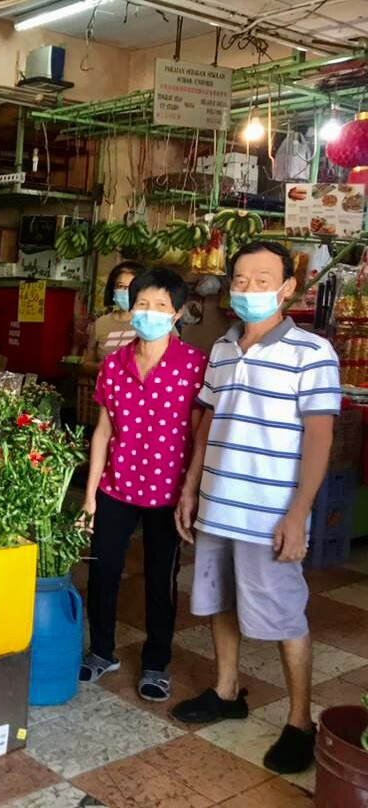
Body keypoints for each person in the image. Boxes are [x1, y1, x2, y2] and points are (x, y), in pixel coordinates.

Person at [172, 241, 340, 775]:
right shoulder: (222, 349)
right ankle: (226, 692)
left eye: (262, 280)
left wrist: (298, 514)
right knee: (220, 600)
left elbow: (319, 439)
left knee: (285, 613)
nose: (248, 290)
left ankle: (299, 722)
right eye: (240, 280)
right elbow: (207, 428)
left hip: (269, 514)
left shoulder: (312, 353)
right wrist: (191, 488)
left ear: (288, 287)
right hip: (219, 504)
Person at [80, 268, 207, 702]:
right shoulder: (114, 365)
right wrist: (91, 494)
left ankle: (156, 662)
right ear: (130, 308)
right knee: (103, 569)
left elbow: (198, 434)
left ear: (176, 314)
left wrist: (191, 490)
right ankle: (101, 651)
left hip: (167, 493)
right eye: (142, 305)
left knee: (160, 578)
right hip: (117, 487)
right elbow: (103, 430)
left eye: (160, 307)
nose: (149, 314)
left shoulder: (193, 366)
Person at [82, 260, 145, 375]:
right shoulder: (101, 323)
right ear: (113, 289)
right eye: (121, 286)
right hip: (107, 391)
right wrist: (101, 367)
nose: (126, 291)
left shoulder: (156, 322)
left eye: (132, 287)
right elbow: (87, 365)